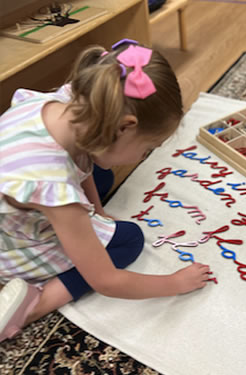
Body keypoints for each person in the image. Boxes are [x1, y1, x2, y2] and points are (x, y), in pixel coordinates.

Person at [0, 38, 211, 342]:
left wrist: (98, 212)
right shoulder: (53, 184)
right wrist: (175, 283)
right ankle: (33, 306)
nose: (143, 157)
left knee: (101, 176)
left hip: (15, 191)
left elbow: (84, 168)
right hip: (12, 246)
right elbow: (107, 281)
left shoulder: (71, 101)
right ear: (125, 126)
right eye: (147, 148)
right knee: (128, 240)